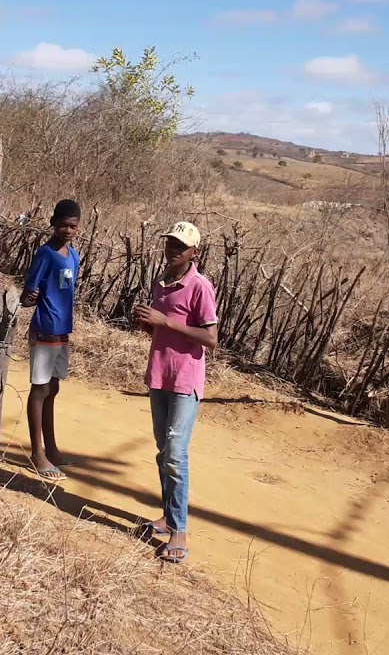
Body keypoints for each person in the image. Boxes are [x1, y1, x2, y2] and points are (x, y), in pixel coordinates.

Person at [132, 221, 218, 564]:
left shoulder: (199, 286)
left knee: (175, 455)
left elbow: (211, 338)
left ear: (195, 252)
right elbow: (161, 329)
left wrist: (165, 322)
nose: (173, 250)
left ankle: (179, 530)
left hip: (185, 380)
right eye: (170, 243)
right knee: (163, 451)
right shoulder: (162, 282)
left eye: (180, 246)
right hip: (160, 375)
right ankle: (169, 516)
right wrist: (148, 323)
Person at [20, 199, 81, 481]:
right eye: (63, 225)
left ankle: (52, 449)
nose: (67, 230)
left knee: (53, 388)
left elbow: (65, 291)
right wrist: (30, 298)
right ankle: (38, 453)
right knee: (40, 389)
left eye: (72, 226)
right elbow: (28, 295)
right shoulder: (45, 255)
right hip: (45, 329)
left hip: (62, 331)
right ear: (52, 223)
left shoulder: (74, 256)